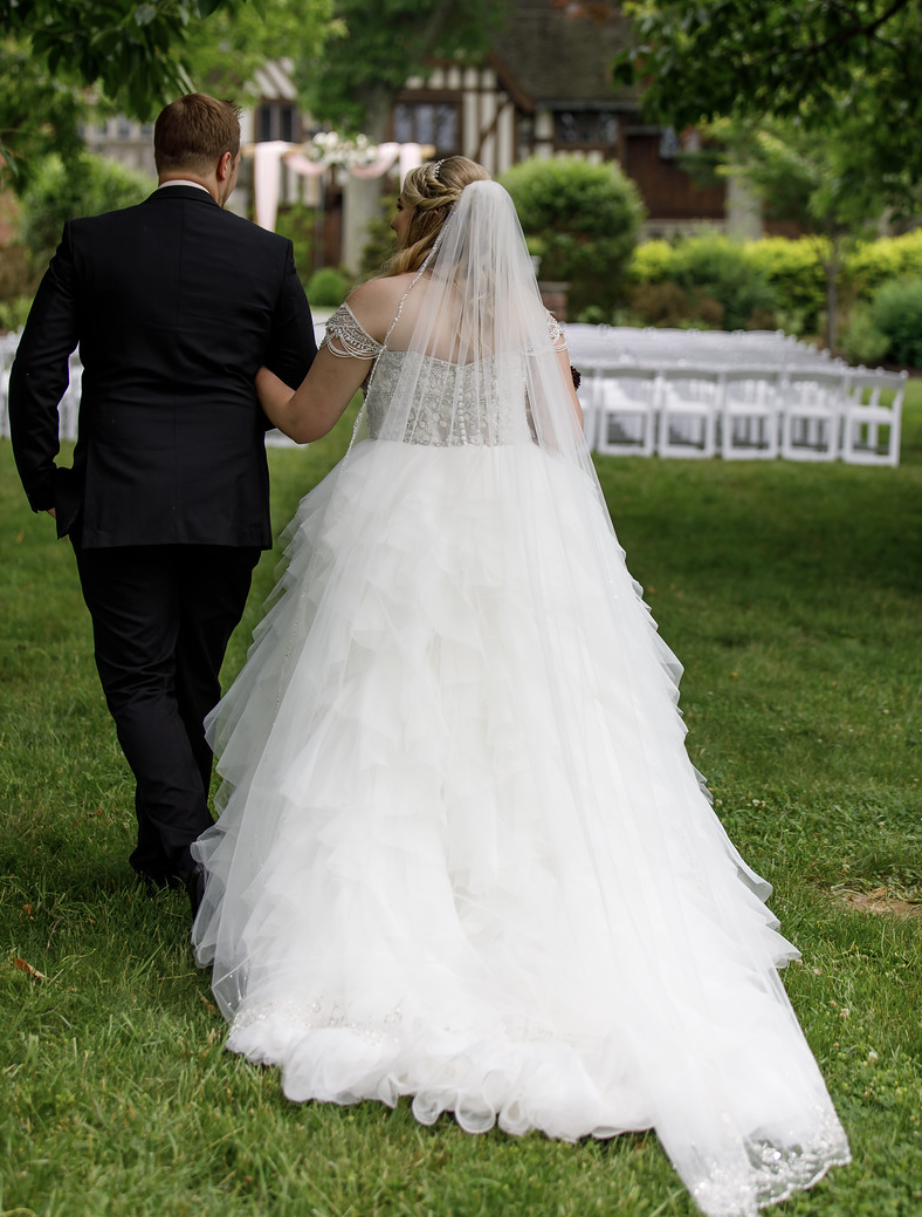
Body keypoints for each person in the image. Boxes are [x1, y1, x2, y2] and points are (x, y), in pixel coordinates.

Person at [190, 158, 849, 1216]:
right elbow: (565, 440)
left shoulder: (380, 302)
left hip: (399, 531)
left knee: (384, 721)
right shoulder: (533, 325)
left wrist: (243, 372)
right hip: (513, 532)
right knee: (520, 722)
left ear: (415, 217)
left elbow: (307, 421)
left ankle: (388, 916)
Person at [9, 93, 315, 915]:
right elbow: (296, 372)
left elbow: (38, 371)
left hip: (121, 496)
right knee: (190, 676)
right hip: (225, 502)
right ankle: (166, 850)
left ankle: (190, 850)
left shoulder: (92, 242)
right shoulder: (266, 254)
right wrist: (224, 411)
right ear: (227, 164)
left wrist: (45, 479)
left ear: (157, 156)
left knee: (140, 681)